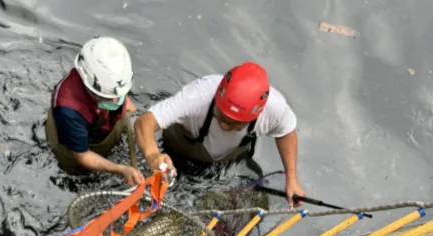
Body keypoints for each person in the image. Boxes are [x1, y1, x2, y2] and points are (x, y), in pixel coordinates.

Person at [133, 61, 305, 206]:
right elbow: (145, 122)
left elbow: (286, 133)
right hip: (180, 146)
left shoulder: (275, 110)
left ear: (257, 114)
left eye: (234, 123)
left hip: (223, 163)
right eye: (221, 115)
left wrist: (292, 179)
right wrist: (152, 154)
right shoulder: (199, 94)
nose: (223, 125)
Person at [45, 36, 144, 186]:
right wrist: (119, 169)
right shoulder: (69, 110)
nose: (117, 102)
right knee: (81, 174)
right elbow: (82, 155)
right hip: (76, 148)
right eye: (109, 97)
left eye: (118, 96)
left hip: (99, 122)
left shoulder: (114, 63)